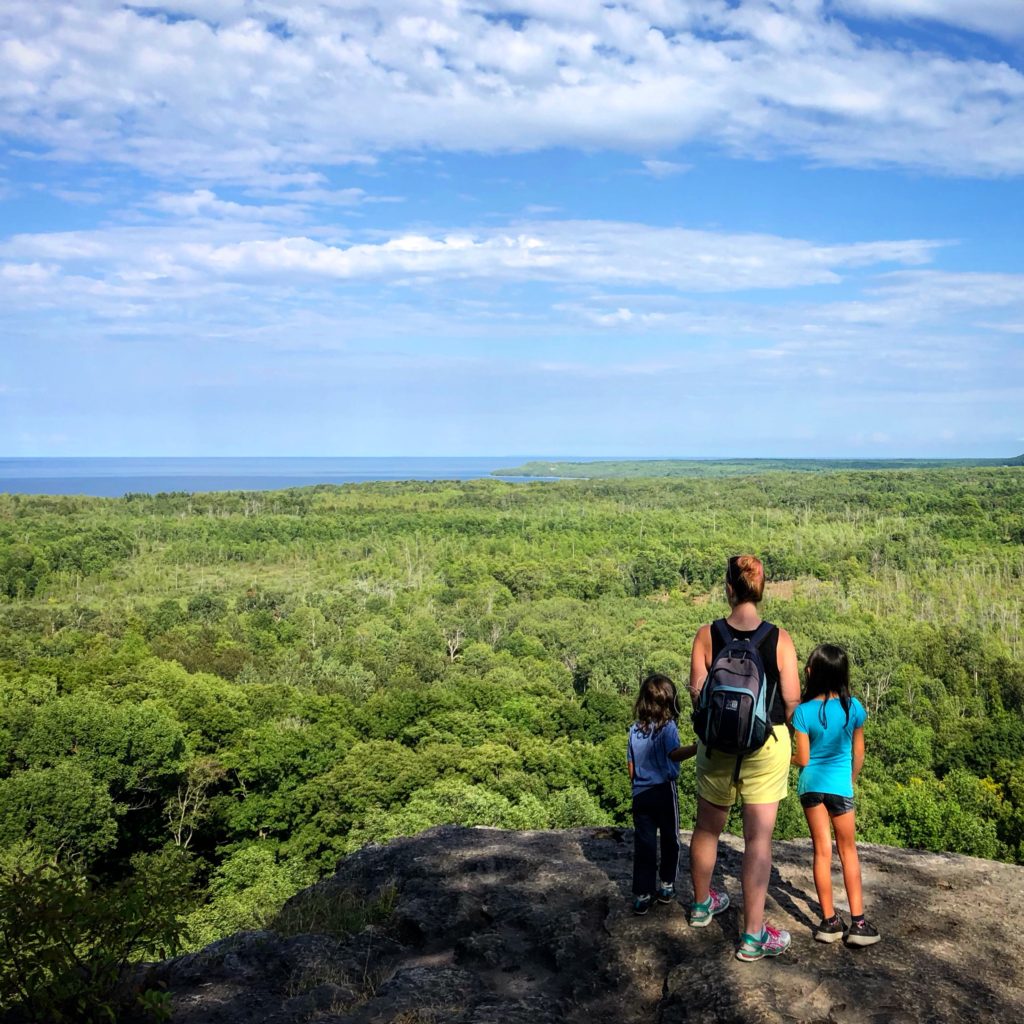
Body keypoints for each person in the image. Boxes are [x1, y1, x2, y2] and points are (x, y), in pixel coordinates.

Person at [688, 555, 800, 961]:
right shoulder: (779, 638)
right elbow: (791, 703)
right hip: (766, 746)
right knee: (758, 840)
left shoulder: (707, 633)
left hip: (716, 744)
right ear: (760, 590)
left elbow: (697, 692)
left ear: (729, 589)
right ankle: (752, 937)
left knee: (706, 829)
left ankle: (702, 906)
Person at [792, 643, 881, 946]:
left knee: (821, 851)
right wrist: (850, 780)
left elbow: (803, 759)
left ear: (811, 673)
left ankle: (829, 922)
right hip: (839, 787)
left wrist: (786, 758)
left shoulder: (802, 712)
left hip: (811, 787)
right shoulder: (852, 707)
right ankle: (858, 924)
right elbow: (859, 752)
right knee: (848, 852)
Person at [628, 674, 697, 914]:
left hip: (640, 792)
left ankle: (642, 894)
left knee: (644, 844)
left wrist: (638, 784)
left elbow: (631, 767)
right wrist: (698, 748)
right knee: (670, 838)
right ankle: (666, 885)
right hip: (664, 790)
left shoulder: (634, 730)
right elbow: (674, 754)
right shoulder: (668, 728)